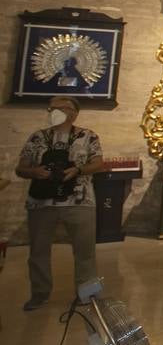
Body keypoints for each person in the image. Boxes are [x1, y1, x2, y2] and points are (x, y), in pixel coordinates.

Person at [17, 97, 105, 311]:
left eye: (60, 108)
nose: (54, 111)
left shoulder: (87, 136)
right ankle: (39, 293)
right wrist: (35, 172)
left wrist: (78, 170)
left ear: (73, 112)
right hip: (42, 202)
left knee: (84, 250)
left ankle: (87, 294)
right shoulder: (38, 137)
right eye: (51, 108)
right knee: (38, 250)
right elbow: (20, 168)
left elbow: (98, 163)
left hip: (79, 200)